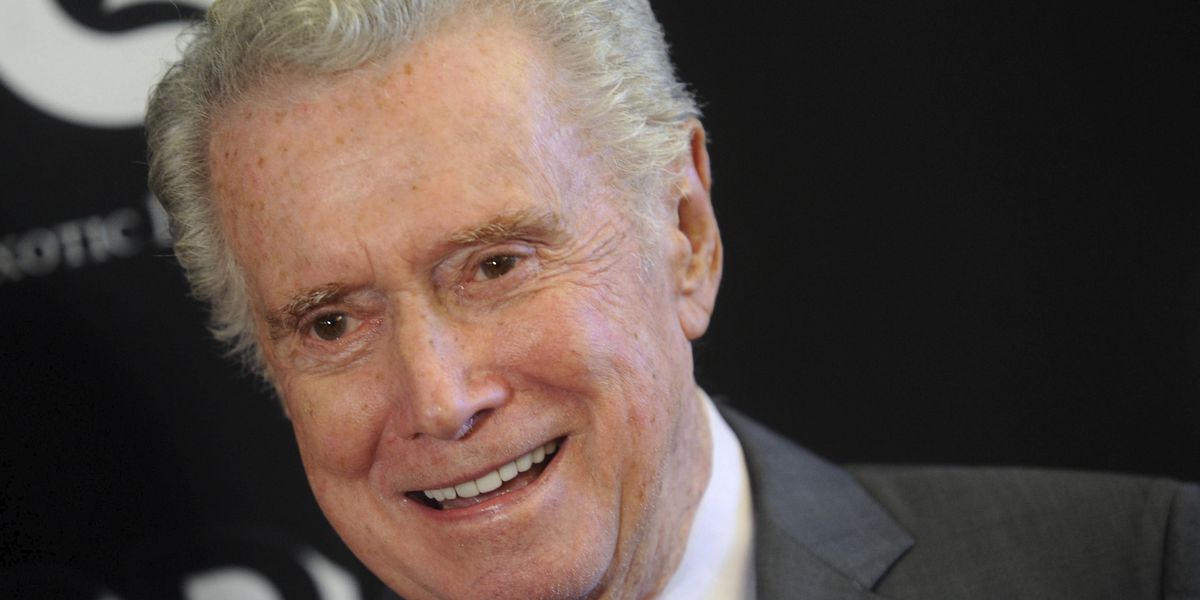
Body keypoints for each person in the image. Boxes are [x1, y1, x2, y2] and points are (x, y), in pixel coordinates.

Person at [146, 1, 1199, 599]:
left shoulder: (1136, 568)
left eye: (497, 266)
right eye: (331, 322)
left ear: (685, 234)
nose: (440, 398)